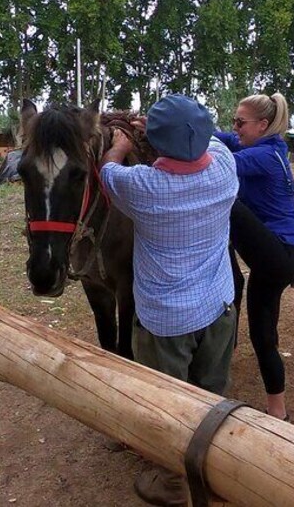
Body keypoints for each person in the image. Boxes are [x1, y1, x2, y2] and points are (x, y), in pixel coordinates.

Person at [100, 94, 239, 507]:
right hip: (218, 310)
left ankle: (174, 484)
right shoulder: (226, 172)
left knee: (167, 406)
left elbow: (106, 169)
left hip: (165, 323)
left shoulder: (141, 186)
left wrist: (122, 144)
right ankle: (216, 473)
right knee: (211, 396)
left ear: (156, 144)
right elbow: (213, 142)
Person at [213, 92, 294, 422]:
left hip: (279, 254)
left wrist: (185, 142)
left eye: (240, 122)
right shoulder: (262, 146)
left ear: (263, 125)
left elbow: (219, 160)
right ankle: (277, 412)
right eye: (234, 121)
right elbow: (222, 139)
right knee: (263, 336)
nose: (234, 127)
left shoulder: (263, 157)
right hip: (276, 260)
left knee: (226, 198)